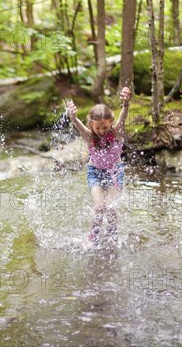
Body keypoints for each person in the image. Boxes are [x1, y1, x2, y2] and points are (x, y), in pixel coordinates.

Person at [66, 86, 132, 245]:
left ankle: (112, 236)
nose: (102, 131)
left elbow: (123, 117)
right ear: (91, 125)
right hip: (95, 172)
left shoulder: (116, 133)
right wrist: (73, 117)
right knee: (99, 208)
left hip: (115, 172)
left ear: (111, 123)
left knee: (110, 208)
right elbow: (77, 124)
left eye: (105, 127)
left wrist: (126, 104)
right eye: (98, 128)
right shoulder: (89, 136)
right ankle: (93, 238)